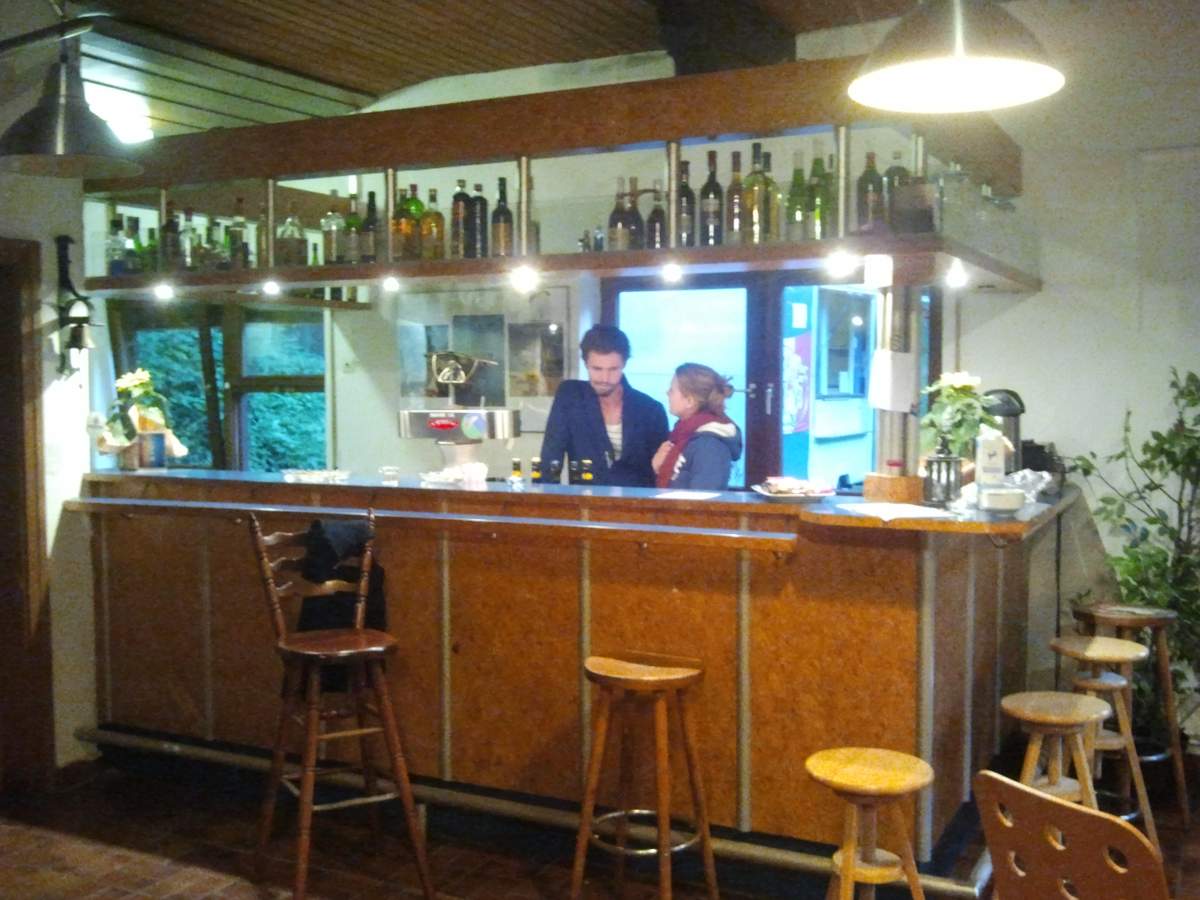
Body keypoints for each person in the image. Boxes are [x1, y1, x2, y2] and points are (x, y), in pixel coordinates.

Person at [540, 325, 669, 487]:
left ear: (624, 364)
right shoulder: (571, 396)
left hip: (637, 500)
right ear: (586, 364)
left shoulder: (650, 410)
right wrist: (545, 497)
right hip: (585, 499)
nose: (605, 378)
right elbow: (550, 456)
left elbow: (662, 472)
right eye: (597, 369)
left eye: (613, 369)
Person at [652, 363, 742, 491]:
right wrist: (659, 468)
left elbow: (704, 499)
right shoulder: (683, 434)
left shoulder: (709, 446)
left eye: (672, 390)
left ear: (690, 401)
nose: (667, 393)